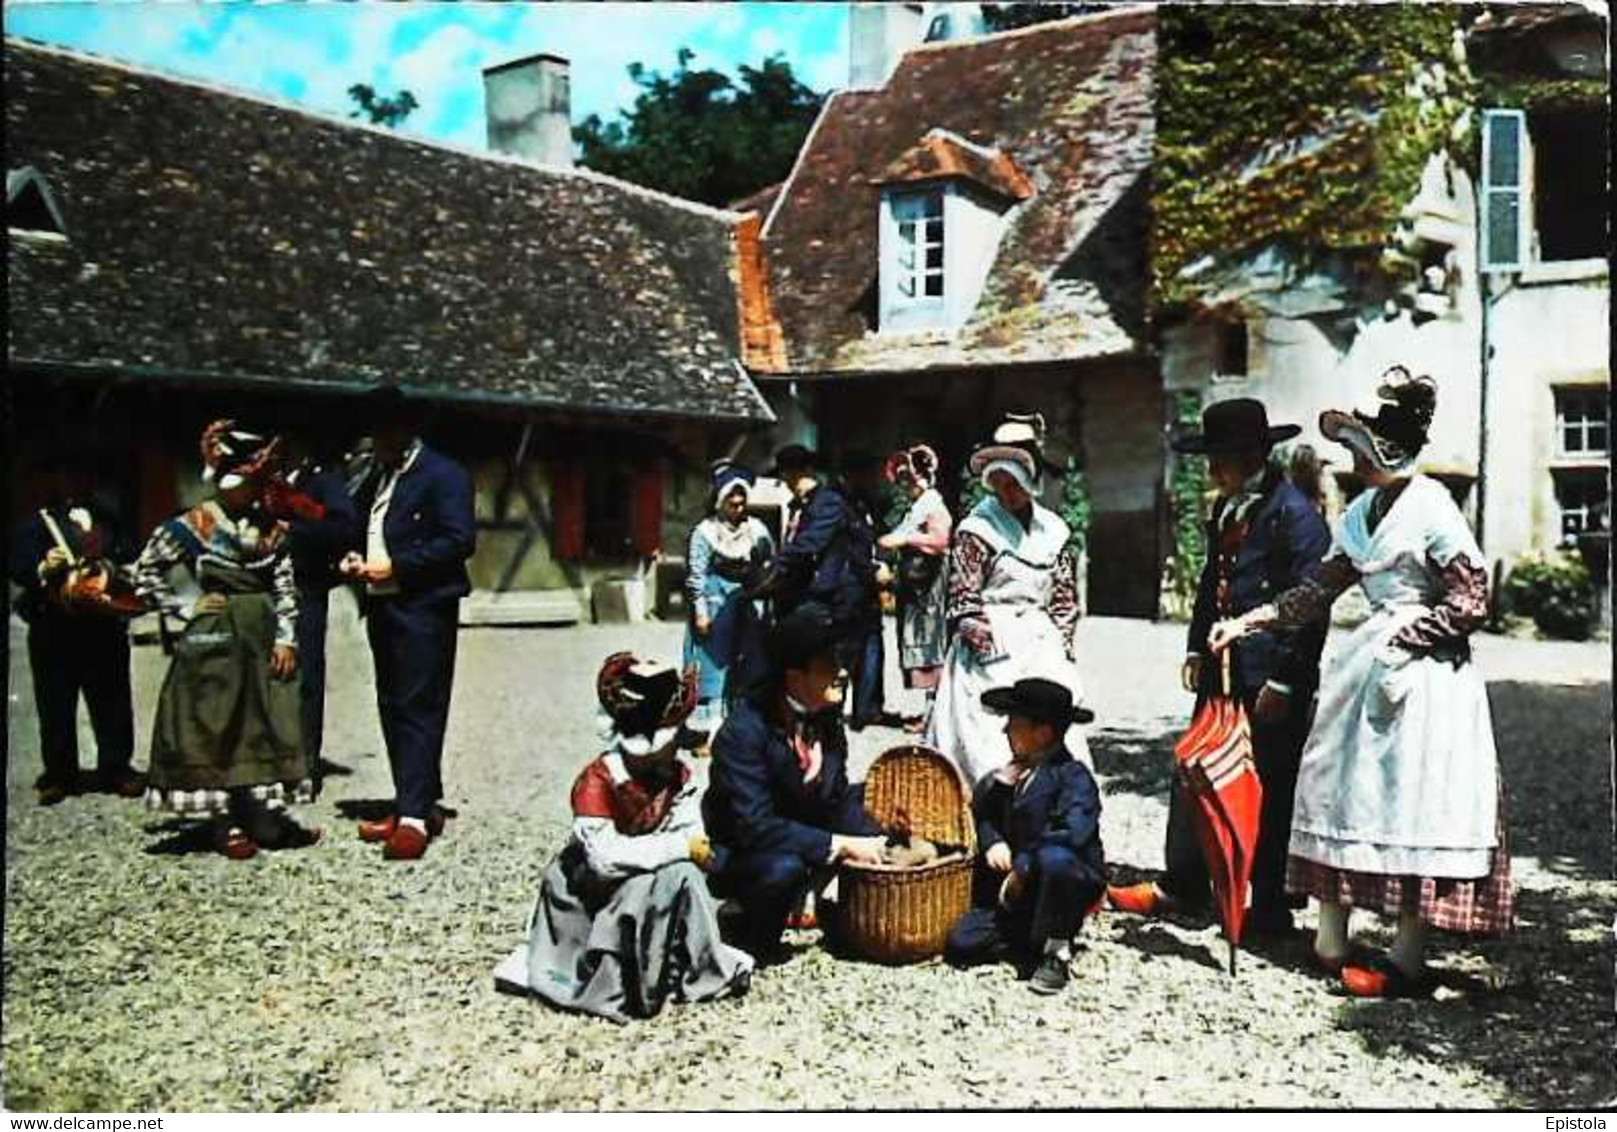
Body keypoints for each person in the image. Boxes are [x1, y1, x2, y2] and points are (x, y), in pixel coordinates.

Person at [1207, 370, 1512, 998]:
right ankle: (1331, 935)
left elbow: (1473, 598)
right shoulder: (1363, 512)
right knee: (1342, 785)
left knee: (1409, 794)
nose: (1353, 459)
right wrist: (1250, 620)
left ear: (1387, 449)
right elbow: (1318, 589)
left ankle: (1406, 952)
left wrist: (1408, 638)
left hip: (1422, 672)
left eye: (1360, 447)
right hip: (1366, 661)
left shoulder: (1431, 507)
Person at [1108, 398, 1330, 936]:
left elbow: (1310, 606)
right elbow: (1214, 584)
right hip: (1222, 669)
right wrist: (1193, 648)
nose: (1212, 470)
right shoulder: (1226, 508)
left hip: (1270, 678)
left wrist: (1284, 679)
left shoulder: (1295, 516)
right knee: (1196, 767)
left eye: (1222, 458)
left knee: (1268, 786)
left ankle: (1270, 903)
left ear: (1255, 453)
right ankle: (1183, 882)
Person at [493, 653, 754, 1022]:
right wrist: (677, 848)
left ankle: (697, 968)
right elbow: (604, 857)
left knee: (687, 878)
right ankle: (616, 978)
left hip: (649, 872)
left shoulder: (678, 774)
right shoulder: (599, 781)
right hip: (594, 885)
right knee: (645, 886)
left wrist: (693, 847)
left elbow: (687, 826)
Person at [132, 422, 319, 858]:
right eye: (246, 483)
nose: (252, 492)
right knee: (216, 721)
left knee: (265, 720)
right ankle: (224, 821)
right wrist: (184, 606)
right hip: (214, 636)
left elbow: (287, 587)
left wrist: (286, 639)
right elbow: (145, 572)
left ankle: (262, 815)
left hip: (262, 632)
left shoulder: (271, 528)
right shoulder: (193, 525)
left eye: (256, 483)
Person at [701, 603, 888, 960]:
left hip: (804, 826)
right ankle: (750, 927)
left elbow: (833, 794)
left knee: (874, 809)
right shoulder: (744, 732)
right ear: (794, 675)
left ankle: (831, 899)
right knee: (782, 870)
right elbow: (754, 826)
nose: (841, 673)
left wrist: (876, 818)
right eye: (828, 665)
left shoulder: (826, 718)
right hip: (748, 849)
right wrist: (840, 844)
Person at [340, 387, 477, 861]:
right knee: (392, 703)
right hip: (383, 604)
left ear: (403, 429)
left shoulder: (444, 475)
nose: (374, 438)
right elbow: (365, 524)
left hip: (424, 606)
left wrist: (396, 566)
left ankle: (416, 818)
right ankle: (411, 801)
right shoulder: (379, 475)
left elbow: (460, 541)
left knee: (420, 704)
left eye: (381, 429)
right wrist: (359, 557)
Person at [928, 421, 1090, 785]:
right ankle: (988, 806)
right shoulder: (977, 529)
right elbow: (964, 597)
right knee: (988, 732)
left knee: (1049, 722)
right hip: (991, 640)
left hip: (1039, 639)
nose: (1007, 493)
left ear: (1031, 479)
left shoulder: (1054, 530)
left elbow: (1064, 596)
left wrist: (1062, 646)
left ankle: (1051, 799)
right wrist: (987, 651)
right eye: (999, 485)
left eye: (1014, 484)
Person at [945, 678, 1103, 995]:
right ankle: (1030, 936)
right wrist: (994, 840)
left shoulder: (1073, 777)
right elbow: (985, 817)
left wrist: (1024, 865)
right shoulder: (1012, 773)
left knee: (1055, 859)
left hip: (1058, 878)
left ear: (1042, 733)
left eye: (1014, 723)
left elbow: (1069, 833)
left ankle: (1056, 949)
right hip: (1017, 889)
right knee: (961, 943)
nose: (1006, 731)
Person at [8, 460, 143, 805]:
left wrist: (110, 570)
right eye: (69, 476)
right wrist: (42, 567)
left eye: (83, 477)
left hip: (101, 625)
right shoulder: (37, 525)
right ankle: (59, 773)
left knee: (112, 697)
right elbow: (18, 564)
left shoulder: (109, 520)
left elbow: (129, 553)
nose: (76, 483)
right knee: (55, 702)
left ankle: (116, 766)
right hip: (54, 626)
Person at [754, 444, 885, 730]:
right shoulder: (807, 504)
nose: (788, 484)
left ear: (795, 473)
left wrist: (770, 569)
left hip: (832, 600)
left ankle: (823, 723)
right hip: (815, 597)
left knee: (821, 665)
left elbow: (808, 545)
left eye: (790, 476)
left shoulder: (827, 502)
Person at [276, 433, 359, 796]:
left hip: (305, 586)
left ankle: (304, 766)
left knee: (305, 677)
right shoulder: (260, 480)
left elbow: (344, 528)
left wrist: (292, 532)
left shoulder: (323, 480)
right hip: (260, 590)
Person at [682, 461, 774, 746]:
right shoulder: (705, 532)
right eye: (731, 501)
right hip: (714, 601)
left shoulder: (756, 529)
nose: (737, 505)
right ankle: (707, 733)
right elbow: (696, 575)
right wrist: (700, 613)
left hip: (746, 601)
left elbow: (769, 563)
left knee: (748, 662)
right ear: (720, 501)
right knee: (712, 664)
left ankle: (739, 728)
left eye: (741, 500)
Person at [876, 444, 952, 732]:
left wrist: (907, 540)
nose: (905, 486)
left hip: (929, 580)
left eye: (908, 479)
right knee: (918, 641)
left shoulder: (933, 505)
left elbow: (941, 541)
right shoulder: (918, 507)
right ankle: (928, 711)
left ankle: (934, 715)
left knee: (931, 643)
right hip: (915, 580)